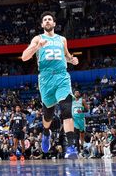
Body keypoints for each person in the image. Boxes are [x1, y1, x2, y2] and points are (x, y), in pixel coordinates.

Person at [20, 11, 79, 159]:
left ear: (54, 23)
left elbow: (66, 55)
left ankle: (71, 147)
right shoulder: (38, 38)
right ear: (42, 24)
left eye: (50, 19)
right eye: (45, 19)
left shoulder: (62, 39)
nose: (47, 21)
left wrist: (72, 60)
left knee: (66, 110)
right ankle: (46, 133)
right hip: (46, 79)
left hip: (62, 76)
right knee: (48, 115)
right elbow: (24, 57)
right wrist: (36, 47)